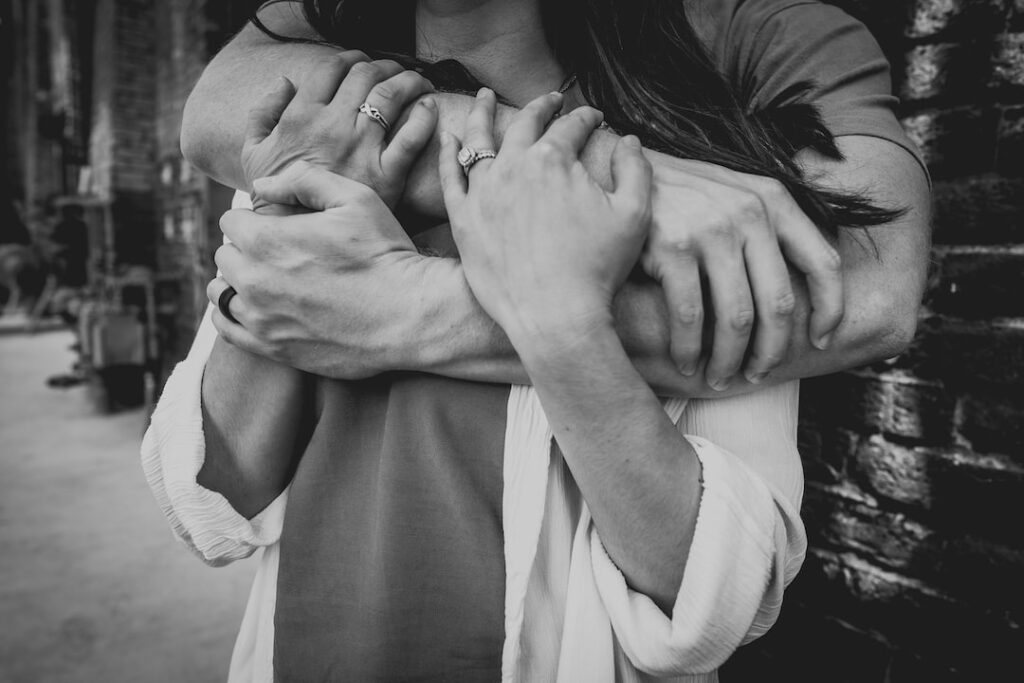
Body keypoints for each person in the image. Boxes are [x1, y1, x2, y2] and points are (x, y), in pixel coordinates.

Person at [143, 0, 930, 680]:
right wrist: (291, 202)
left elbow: (717, 594)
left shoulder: (704, 152)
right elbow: (205, 498)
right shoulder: (334, 112)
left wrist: (516, 316)